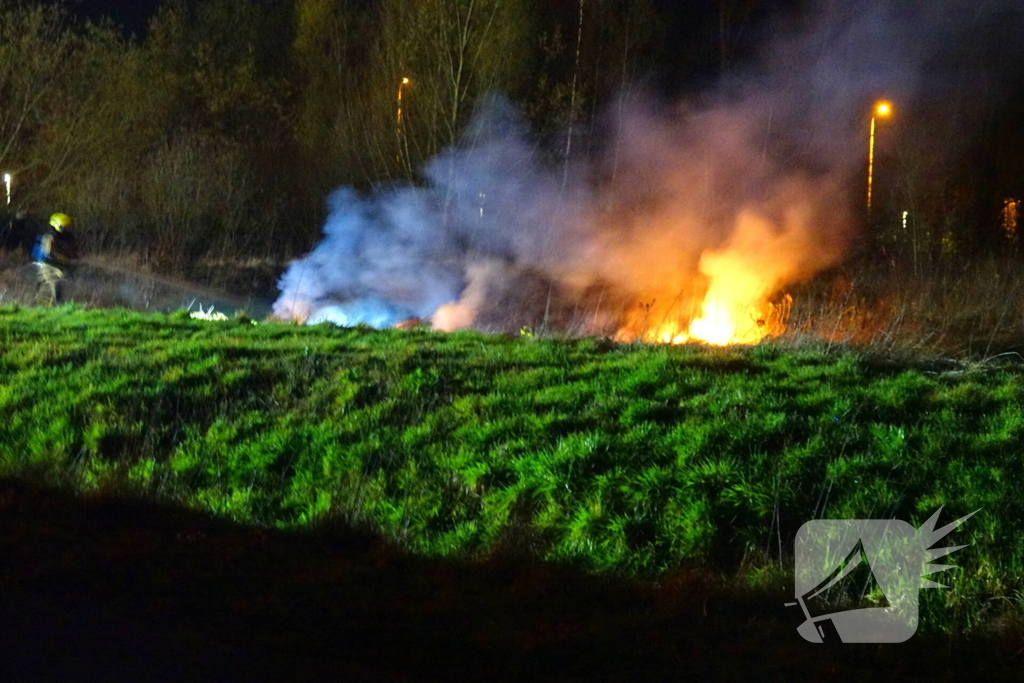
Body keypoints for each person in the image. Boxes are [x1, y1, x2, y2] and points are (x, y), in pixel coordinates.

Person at [32, 213, 79, 305]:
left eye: (69, 226)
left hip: (60, 264)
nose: (68, 228)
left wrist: (73, 258)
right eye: (66, 227)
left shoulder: (69, 237)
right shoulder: (50, 237)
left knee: (65, 282)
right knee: (56, 283)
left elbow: (73, 250)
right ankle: (59, 305)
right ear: (58, 226)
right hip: (48, 265)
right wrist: (66, 259)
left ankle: (50, 304)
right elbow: (50, 254)